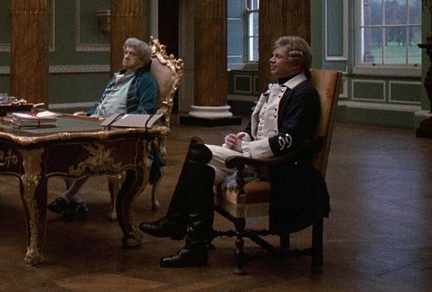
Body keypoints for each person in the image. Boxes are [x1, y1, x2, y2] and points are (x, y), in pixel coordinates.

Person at [139, 36, 329, 268]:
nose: (271, 60)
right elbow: (256, 127)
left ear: (296, 62)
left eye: (278, 57)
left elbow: (289, 140)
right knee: (201, 165)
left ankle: (181, 228)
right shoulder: (281, 87)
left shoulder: (303, 94)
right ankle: (193, 243)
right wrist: (241, 138)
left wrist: (245, 149)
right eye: (273, 55)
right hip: (258, 156)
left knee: (199, 155)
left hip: (280, 168)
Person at [47, 37, 159, 220]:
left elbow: (145, 111)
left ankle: (69, 196)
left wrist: (117, 121)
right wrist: (89, 116)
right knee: (66, 146)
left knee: (88, 152)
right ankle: (75, 199)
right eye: (126, 53)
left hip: (121, 134)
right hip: (99, 124)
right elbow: (101, 103)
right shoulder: (118, 77)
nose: (127, 56)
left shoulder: (146, 81)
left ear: (143, 60)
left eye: (132, 54)